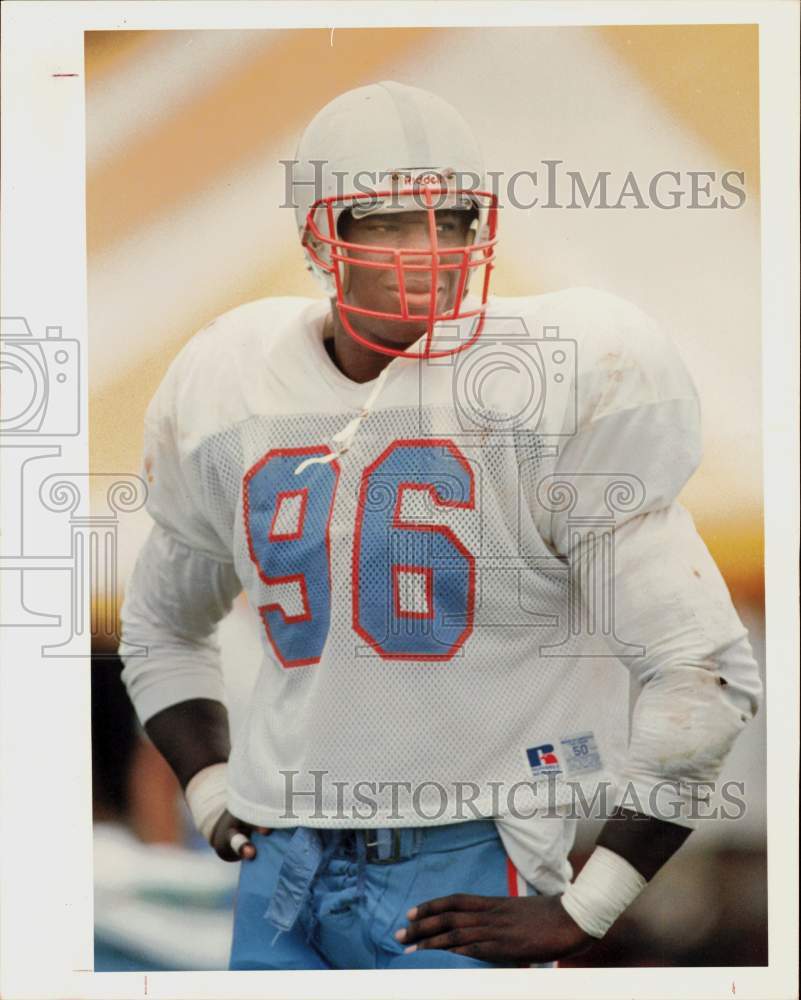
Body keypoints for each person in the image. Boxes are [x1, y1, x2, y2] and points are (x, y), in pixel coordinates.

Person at [119, 80, 762, 969]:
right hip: (280, 865)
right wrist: (210, 787)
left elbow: (706, 678)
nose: (424, 249)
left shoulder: (552, 382)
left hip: (460, 866)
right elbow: (160, 626)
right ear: (319, 234)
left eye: (450, 220)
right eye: (382, 221)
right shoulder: (232, 382)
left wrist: (589, 903)